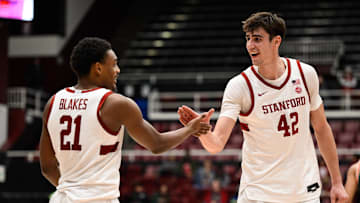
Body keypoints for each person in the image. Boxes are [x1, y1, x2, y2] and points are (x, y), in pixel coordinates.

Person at [177, 12, 348, 202]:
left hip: (303, 191)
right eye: (248, 39)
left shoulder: (305, 74)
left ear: (276, 41)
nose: (250, 45)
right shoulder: (240, 86)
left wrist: (337, 182)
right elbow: (216, 144)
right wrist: (202, 131)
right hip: (259, 194)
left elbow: (322, 128)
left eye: (257, 39)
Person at [39, 37, 211, 203]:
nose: (118, 70)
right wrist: (189, 129)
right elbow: (157, 144)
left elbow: (47, 167)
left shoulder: (53, 102)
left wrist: (73, 191)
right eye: (113, 64)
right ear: (98, 68)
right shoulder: (116, 103)